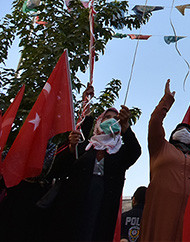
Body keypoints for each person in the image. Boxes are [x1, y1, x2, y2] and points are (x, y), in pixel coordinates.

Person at [49, 102, 142, 242]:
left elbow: (135, 152)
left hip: (103, 209)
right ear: (100, 121)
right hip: (74, 207)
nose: (111, 119)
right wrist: (70, 147)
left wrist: (126, 128)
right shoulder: (84, 146)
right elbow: (58, 169)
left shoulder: (120, 152)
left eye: (115, 117)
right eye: (107, 116)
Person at [140, 80, 190, 242]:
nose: (185, 131)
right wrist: (166, 101)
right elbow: (154, 122)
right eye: (180, 129)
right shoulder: (160, 147)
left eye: (188, 131)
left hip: (189, 215)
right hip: (162, 209)